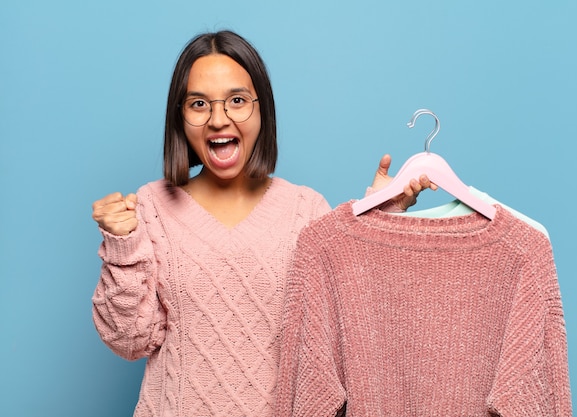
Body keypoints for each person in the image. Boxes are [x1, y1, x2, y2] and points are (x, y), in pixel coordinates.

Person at [91, 30, 435, 417]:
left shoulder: (306, 210)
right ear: (180, 116)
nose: (218, 120)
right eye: (199, 103)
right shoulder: (152, 207)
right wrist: (122, 249)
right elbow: (129, 340)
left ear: (262, 110)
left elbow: (351, 332)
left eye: (237, 100)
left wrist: (375, 218)